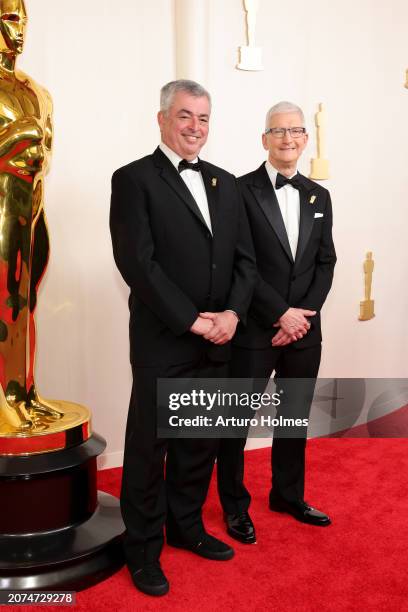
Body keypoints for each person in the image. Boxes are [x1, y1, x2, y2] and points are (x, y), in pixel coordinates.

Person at [110, 79, 256, 596]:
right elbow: (138, 263)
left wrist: (233, 314)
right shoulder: (133, 179)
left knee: (199, 442)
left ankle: (186, 528)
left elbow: (245, 259)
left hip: (220, 338)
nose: (196, 128)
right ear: (162, 119)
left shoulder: (227, 183)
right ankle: (143, 549)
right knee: (151, 448)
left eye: (204, 118)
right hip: (164, 338)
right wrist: (193, 319)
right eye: (185, 116)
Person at [217, 101, 336, 544]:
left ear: (305, 139)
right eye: (278, 131)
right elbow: (236, 263)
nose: (287, 138)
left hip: (304, 330)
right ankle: (234, 506)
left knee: (293, 418)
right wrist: (278, 313)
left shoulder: (319, 196)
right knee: (235, 424)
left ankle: (287, 495)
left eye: (295, 131)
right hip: (254, 328)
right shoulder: (238, 190)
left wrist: (302, 316)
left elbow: (326, 261)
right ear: (264, 139)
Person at [0, 0, 61, 431]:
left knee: (28, 303)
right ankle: (6, 398)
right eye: (7, 20)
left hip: (32, 207)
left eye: (21, 20)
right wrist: (19, 134)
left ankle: (25, 390)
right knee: (7, 305)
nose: (16, 30)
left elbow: (45, 152)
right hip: (2, 204)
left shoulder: (36, 90)